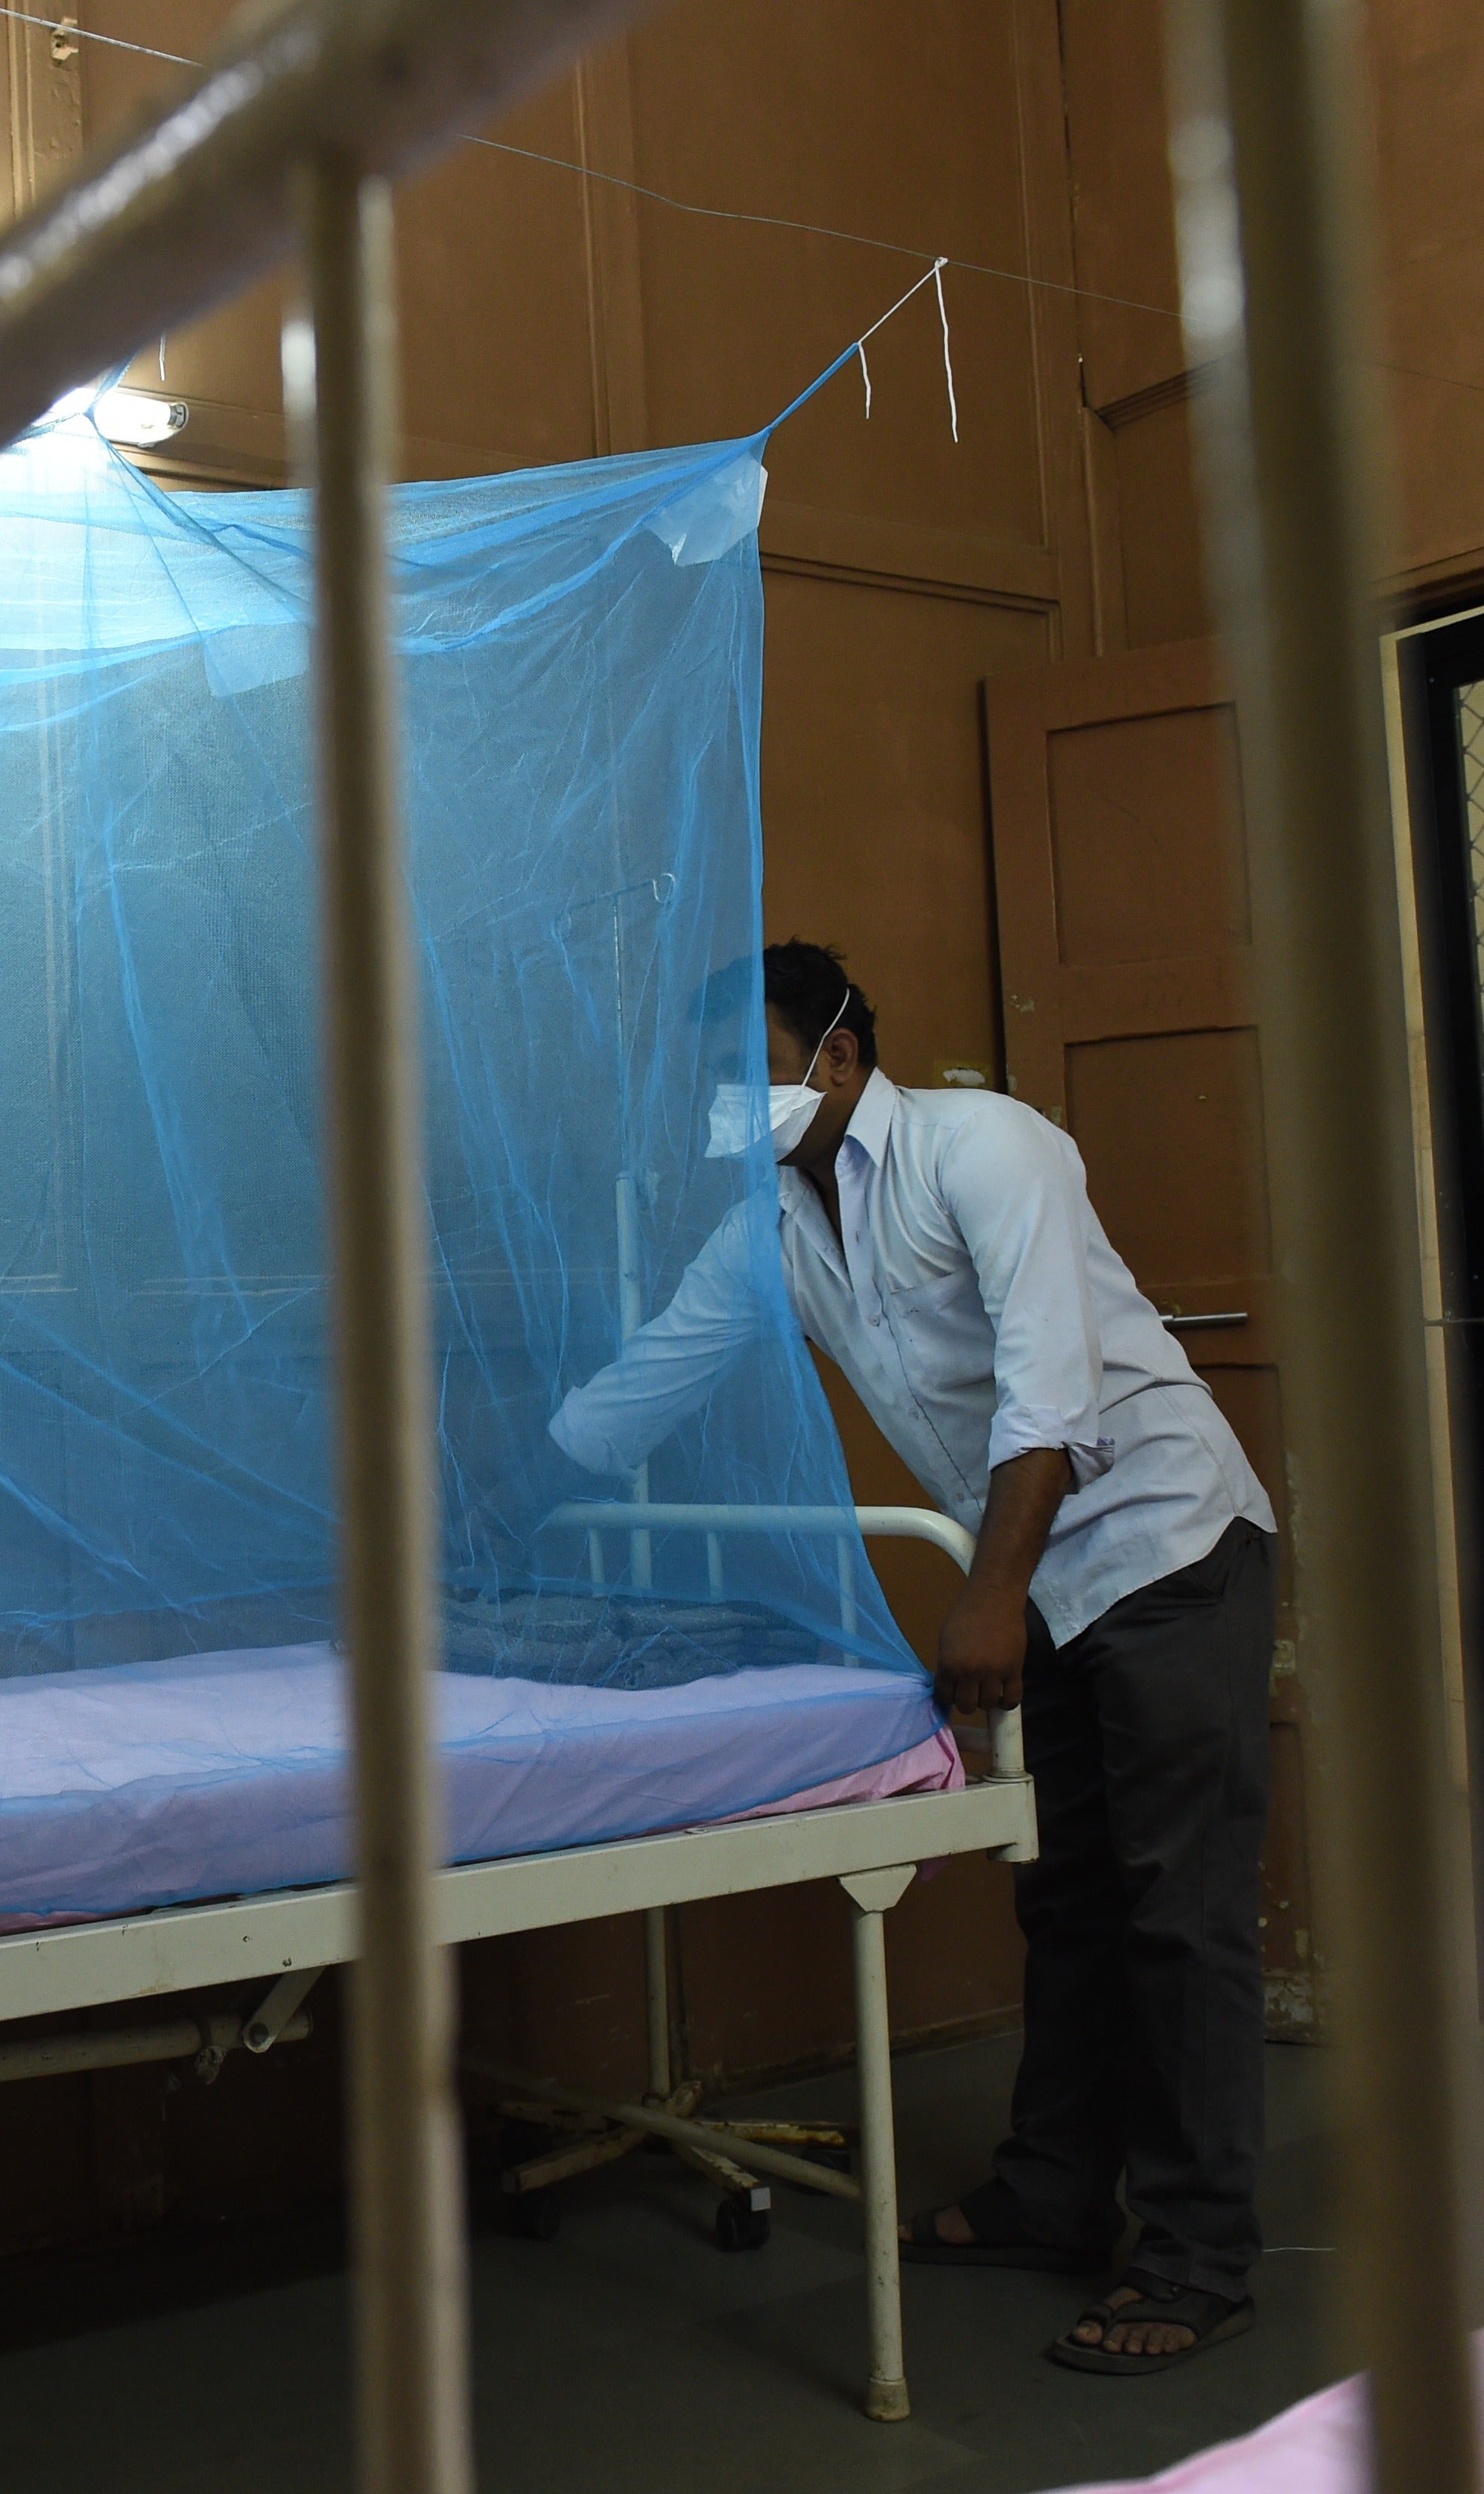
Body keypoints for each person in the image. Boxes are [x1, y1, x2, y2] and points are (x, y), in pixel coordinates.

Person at [548, 938, 1279, 2373]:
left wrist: (988, 1594)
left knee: (1175, 1910)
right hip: (1035, 1573)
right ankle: (1055, 2196)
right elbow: (661, 1368)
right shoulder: (771, 1219)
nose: (720, 1100)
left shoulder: (988, 1149)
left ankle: (1199, 2256)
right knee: (1063, 1901)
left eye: (741, 1068)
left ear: (832, 1054)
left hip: (1162, 1544)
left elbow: (1051, 1390)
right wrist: (512, 1485)